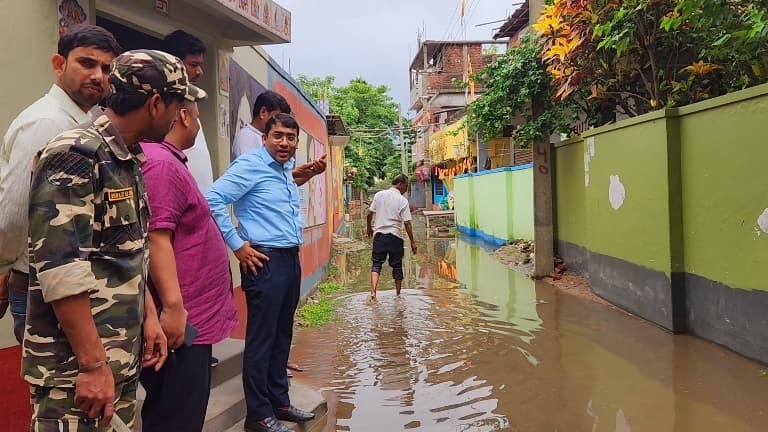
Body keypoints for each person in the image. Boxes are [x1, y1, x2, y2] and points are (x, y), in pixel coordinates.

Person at [24, 49, 205, 430]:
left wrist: (149, 319)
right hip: (75, 373)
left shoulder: (128, 158)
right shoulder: (75, 154)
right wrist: (91, 365)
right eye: (177, 105)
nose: (180, 117)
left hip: (117, 358)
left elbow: (129, 252)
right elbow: (60, 269)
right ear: (157, 104)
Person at [0, 25, 122, 344]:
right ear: (59, 64)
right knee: (61, 390)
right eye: (87, 63)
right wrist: (4, 268)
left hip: (73, 286)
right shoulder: (48, 123)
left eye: (106, 68)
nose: (98, 75)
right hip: (42, 289)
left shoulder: (87, 120)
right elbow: (14, 213)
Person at [207, 113, 315, 432]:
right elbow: (213, 198)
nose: (284, 142)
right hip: (264, 261)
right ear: (265, 137)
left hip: (288, 259)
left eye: (290, 137)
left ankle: (279, 402)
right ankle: (257, 415)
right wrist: (237, 245)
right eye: (278, 136)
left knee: (282, 334)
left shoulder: (283, 170)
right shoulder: (250, 165)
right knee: (262, 339)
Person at [139, 98, 238, 431]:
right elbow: (156, 238)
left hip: (189, 319)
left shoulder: (168, 161)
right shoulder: (160, 165)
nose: (198, 123)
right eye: (197, 116)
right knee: (177, 415)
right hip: (180, 323)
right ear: (183, 115)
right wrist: (173, 308)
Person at [232, 90, 327, 187]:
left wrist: (311, 172)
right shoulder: (247, 137)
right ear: (263, 112)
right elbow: (253, 176)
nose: (284, 143)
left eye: (290, 137)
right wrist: (293, 173)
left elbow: (289, 183)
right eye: (277, 117)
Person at [163, 29, 213, 194]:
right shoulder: (160, 113)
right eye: (193, 65)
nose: (199, 72)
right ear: (173, 65)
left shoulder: (190, 105)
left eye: (200, 65)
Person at [367, 174, 418, 300]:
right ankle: (398, 294)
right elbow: (407, 223)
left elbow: (369, 213)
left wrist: (369, 227)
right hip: (395, 237)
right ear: (400, 184)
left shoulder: (379, 195)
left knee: (376, 264)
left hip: (379, 236)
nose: (406, 189)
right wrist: (412, 242)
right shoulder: (402, 201)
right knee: (397, 266)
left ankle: (373, 292)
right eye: (406, 186)